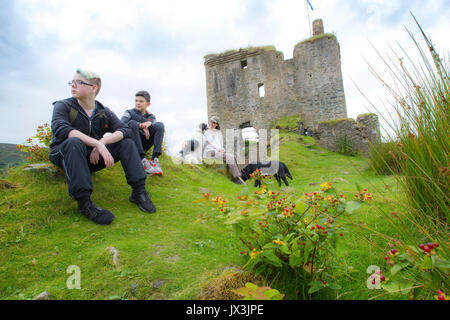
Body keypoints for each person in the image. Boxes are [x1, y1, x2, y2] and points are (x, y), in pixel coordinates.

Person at [49, 68, 156, 225]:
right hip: (65, 153)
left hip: (91, 157)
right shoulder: (63, 106)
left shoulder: (103, 111)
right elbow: (62, 129)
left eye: (78, 82)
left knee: (126, 142)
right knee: (74, 143)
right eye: (71, 82)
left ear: (94, 88)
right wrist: (97, 143)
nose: (73, 85)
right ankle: (84, 203)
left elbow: (125, 130)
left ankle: (139, 192)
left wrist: (103, 143)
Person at [121, 91, 165, 176]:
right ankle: (142, 160)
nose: (138, 103)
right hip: (133, 142)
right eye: (136, 101)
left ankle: (154, 159)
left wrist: (149, 124)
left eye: (141, 101)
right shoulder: (128, 112)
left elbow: (154, 124)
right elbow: (121, 123)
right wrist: (140, 125)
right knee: (132, 123)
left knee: (160, 125)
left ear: (148, 104)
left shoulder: (151, 116)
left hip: (145, 142)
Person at [203, 116, 245, 184]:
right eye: (211, 122)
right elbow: (200, 141)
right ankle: (237, 178)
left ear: (217, 124)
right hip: (210, 152)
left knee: (232, 157)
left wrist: (222, 150)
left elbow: (220, 145)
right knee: (230, 157)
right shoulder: (205, 132)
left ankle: (240, 176)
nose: (211, 124)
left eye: (214, 123)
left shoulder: (218, 133)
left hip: (218, 152)